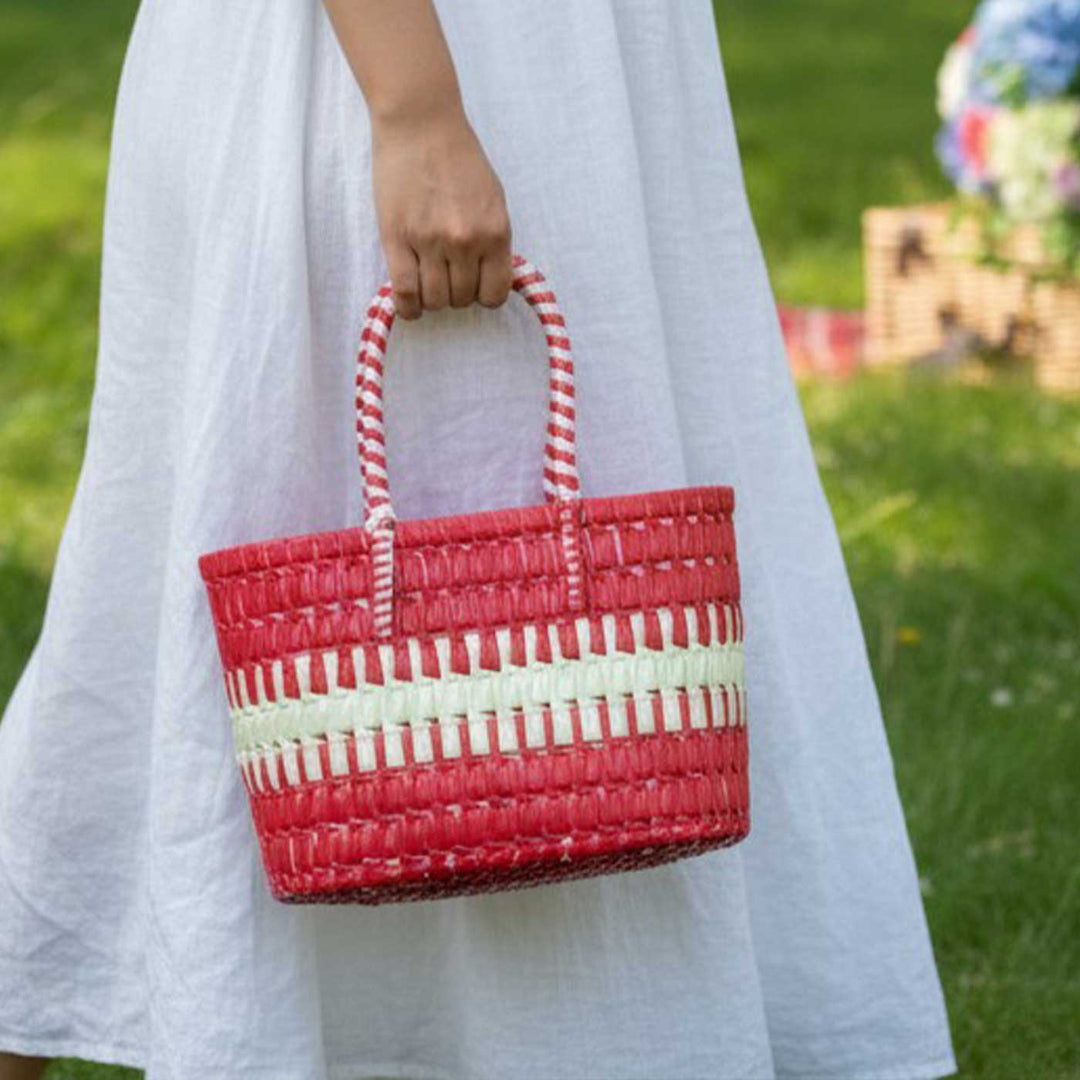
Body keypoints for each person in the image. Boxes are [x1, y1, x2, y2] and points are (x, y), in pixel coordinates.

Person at [0, 2, 957, 1078]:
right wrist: (418, 110)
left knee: (172, 595)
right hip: (403, 66)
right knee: (199, 581)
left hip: (554, 74)